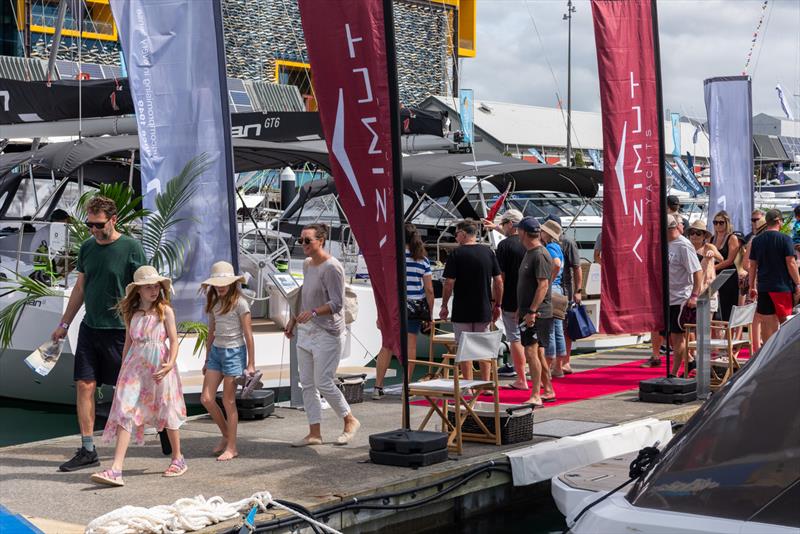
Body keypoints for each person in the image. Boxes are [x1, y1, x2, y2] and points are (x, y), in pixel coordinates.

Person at [51, 196, 146, 472]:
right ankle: (88, 448)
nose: (93, 230)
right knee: (84, 385)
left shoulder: (131, 247)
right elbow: (80, 288)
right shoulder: (87, 248)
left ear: (113, 220)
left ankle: (163, 430)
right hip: (90, 329)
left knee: (130, 392)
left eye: (98, 224)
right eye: (89, 224)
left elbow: (146, 288)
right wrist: (64, 324)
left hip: (121, 332)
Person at [90, 266, 187, 487]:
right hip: (134, 367)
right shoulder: (131, 314)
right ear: (139, 291)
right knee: (124, 410)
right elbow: (128, 343)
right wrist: (122, 369)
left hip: (159, 366)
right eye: (148, 287)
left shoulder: (165, 311)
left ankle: (178, 458)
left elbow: (173, 340)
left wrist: (170, 363)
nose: (154, 291)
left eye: (156, 287)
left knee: (167, 408)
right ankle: (116, 469)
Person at [284, 224, 361, 446]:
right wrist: (293, 320)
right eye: (301, 241)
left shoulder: (332, 268)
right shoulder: (308, 265)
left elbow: (337, 304)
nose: (304, 245)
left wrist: (315, 312)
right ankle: (314, 432)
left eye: (307, 240)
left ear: (321, 240)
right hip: (307, 330)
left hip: (329, 331)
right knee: (307, 382)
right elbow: (304, 297)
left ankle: (350, 420)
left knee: (323, 381)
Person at [198, 261, 255, 460]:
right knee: (206, 398)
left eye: (224, 282)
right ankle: (226, 435)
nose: (221, 286)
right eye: (217, 283)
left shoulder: (241, 303)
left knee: (228, 401)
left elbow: (248, 335)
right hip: (216, 352)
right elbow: (211, 332)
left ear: (232, 283)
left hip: (234, 353)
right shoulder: (213, 302)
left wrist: (251, 364)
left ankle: (232, 446)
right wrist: (206, 359)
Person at [373, 223, 434, 399]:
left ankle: (378, 387)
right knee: (410, 346)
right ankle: (405, 389)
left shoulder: (391, 258)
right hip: (414, 307)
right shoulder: (422, 259)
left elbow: (382, 286)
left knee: (387, 345)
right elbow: (429, 290)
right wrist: (429, 314)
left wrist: (380, 313)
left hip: (392, 306)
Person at [439, 219, 503, 381]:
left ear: (464, 234)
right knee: (483, 346)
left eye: (456, 233)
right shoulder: (488, 252)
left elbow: (449, 283)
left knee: (463, 347)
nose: (455, 237)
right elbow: (498, 281)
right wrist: (498, 304)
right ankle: (486, 382)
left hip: (462, 308)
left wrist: (445, 305)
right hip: (483, 307)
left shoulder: (456, 254)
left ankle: (468, 383)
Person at [484, 209, 528, 390]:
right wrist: (496, 227)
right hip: (531, 299)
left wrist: (496, 303)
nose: (501, 227)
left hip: (511, 298)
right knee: (533, 341)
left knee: (515, 339)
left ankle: (522, 379)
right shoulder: (531, 243)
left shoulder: (504, 246)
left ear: (510, 224)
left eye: (503, 224)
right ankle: (539, 377)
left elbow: (499, 279)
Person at [748, 209, 800, 352]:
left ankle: (767, 355)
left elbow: (752, 265)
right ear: (778, 221)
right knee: (785, 324)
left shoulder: (756, 241)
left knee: (767, 326)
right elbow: (791, 263)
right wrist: (798, 283)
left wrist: (752, 286)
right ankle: (784, 356)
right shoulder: (785, 239)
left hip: (764, 287)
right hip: (782, 287)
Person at [516, 217, 555, 405]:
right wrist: (521, 308)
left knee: (531, 353)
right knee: (538, 353)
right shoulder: (530, 252)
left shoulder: (539, 254)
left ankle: (536, 395)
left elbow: (543, 285)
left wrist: (531, 311)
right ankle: (548, 389)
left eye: (518, 230)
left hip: (536, 313)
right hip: (528, 310)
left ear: (523, 232)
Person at [544, 215, 582, 375]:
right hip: (562, 289)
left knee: (556, 329)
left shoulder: (559, 244)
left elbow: (577, 267)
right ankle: (561, 364)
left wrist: (578, 291)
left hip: (560, 290)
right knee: (560, 329)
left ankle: (558, 364)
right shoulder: (561, 244)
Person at [665, 215, 703, 378]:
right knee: (671, 337)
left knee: (677, 336)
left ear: (670, 229)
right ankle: (688, 361)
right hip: (668, 296)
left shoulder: (684, 245)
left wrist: (694, 295)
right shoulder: (665, 243)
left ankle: (674, 372)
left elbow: (697, 271)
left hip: (681, 297)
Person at [540, 220, 567, 378]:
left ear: (547, 234)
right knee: (558, 330)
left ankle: (549, 367)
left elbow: (556, 264)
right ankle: (558, 367)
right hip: (559, 290)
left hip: (552, 290)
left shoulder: (550, 247)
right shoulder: (558, 247)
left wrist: (549, 281)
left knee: (549, 330)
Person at [710, 210, 740, 322]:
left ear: (727, 223)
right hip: (714, 276)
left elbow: (730, 260)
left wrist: (713, 268)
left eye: (721, 222)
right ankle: (715, 335)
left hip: (728, 275)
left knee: (728, 307)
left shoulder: (732, 238)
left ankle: (729, 336)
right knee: (713, 306)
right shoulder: (711, 238)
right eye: (715, 222)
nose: (718, 225)